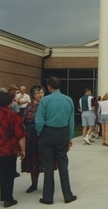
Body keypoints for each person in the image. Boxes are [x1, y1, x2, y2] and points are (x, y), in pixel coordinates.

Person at [35, 76, 77, 204]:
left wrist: (40, 133)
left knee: (48, 165)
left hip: (47, 132)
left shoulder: (45, 100)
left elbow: (39, 121)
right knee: (63, 164)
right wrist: (69, 137)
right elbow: (71, 121)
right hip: (62, 132)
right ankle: (67, 195)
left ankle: (47, 197)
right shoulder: (68, 100)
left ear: (49, 87)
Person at [0, 92, 26, 208]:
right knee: (8, 174)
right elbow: (20, 134)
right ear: (9, 103)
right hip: (8, 149)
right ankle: (7, 198)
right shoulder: (13, 115)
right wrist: (23, 149)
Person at [21, 85, 47, 194]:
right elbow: (24, 121)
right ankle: (34, 184)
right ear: (33, 95)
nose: (40, 95)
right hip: (31, 137)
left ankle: (48, 185)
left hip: (42, 135)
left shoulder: (46, 105)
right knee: (32, 160)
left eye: (41, 92)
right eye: (38, 93)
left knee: (45, 161)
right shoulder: (29, 106)